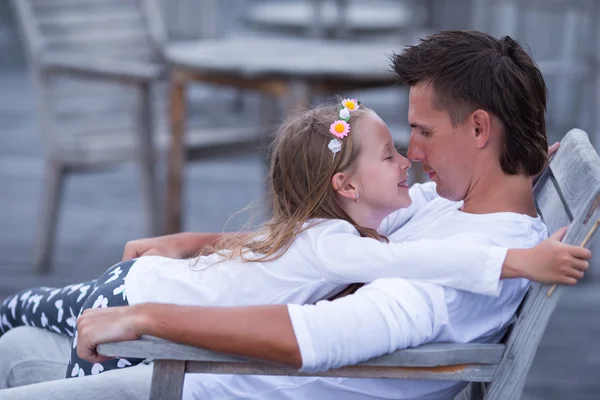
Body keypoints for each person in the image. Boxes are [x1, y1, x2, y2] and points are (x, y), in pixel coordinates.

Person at [0, 30, 593, 399]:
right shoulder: (456, 206)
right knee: (22, 339)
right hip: (206, 369)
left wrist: (148, 316)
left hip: (211, 382)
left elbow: (313, 339)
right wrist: (199, 244)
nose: (412, 154)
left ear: (480, 129)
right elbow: (317, 243)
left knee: (18, 355)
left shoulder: (458, 273)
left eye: (423, 131)